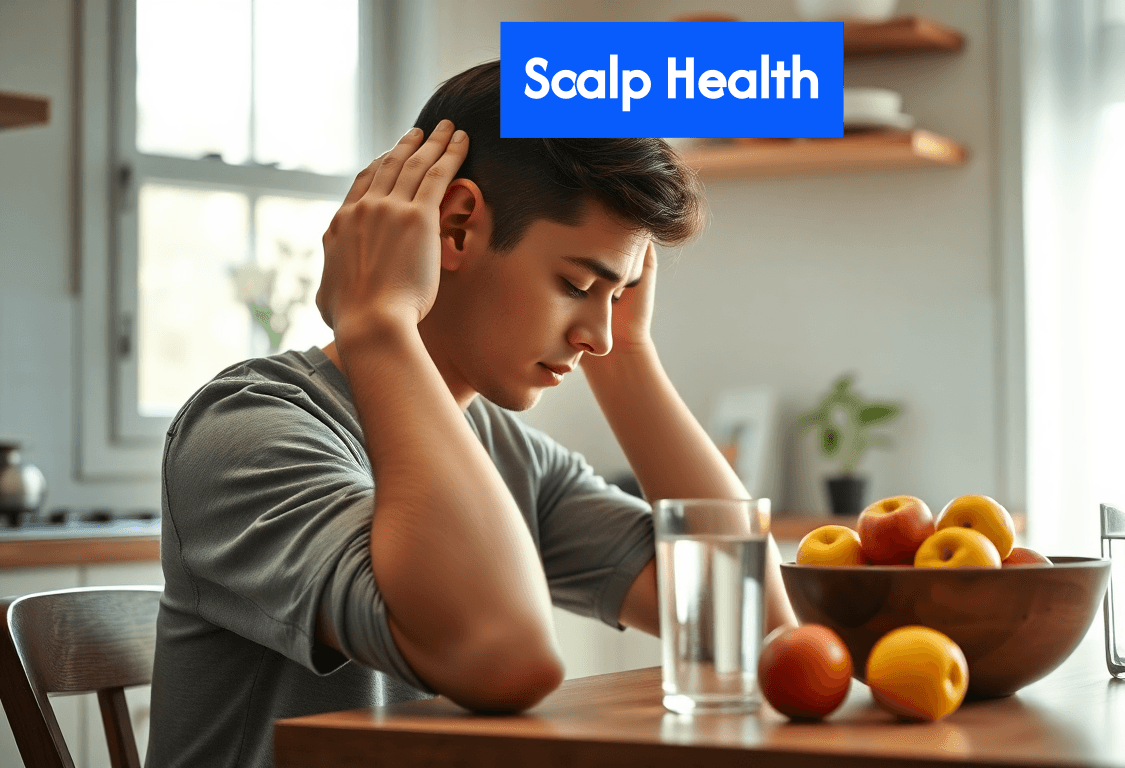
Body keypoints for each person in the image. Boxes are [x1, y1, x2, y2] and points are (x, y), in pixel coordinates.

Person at [144, 60, 797, 768]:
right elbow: (506, 660)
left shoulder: (508, 454)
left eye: (618, 294)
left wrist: (630, 358)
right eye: (577, 283)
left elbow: (751, 627)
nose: (600, 336)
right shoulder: (244, 433)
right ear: (455, 229)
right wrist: (378, 322)